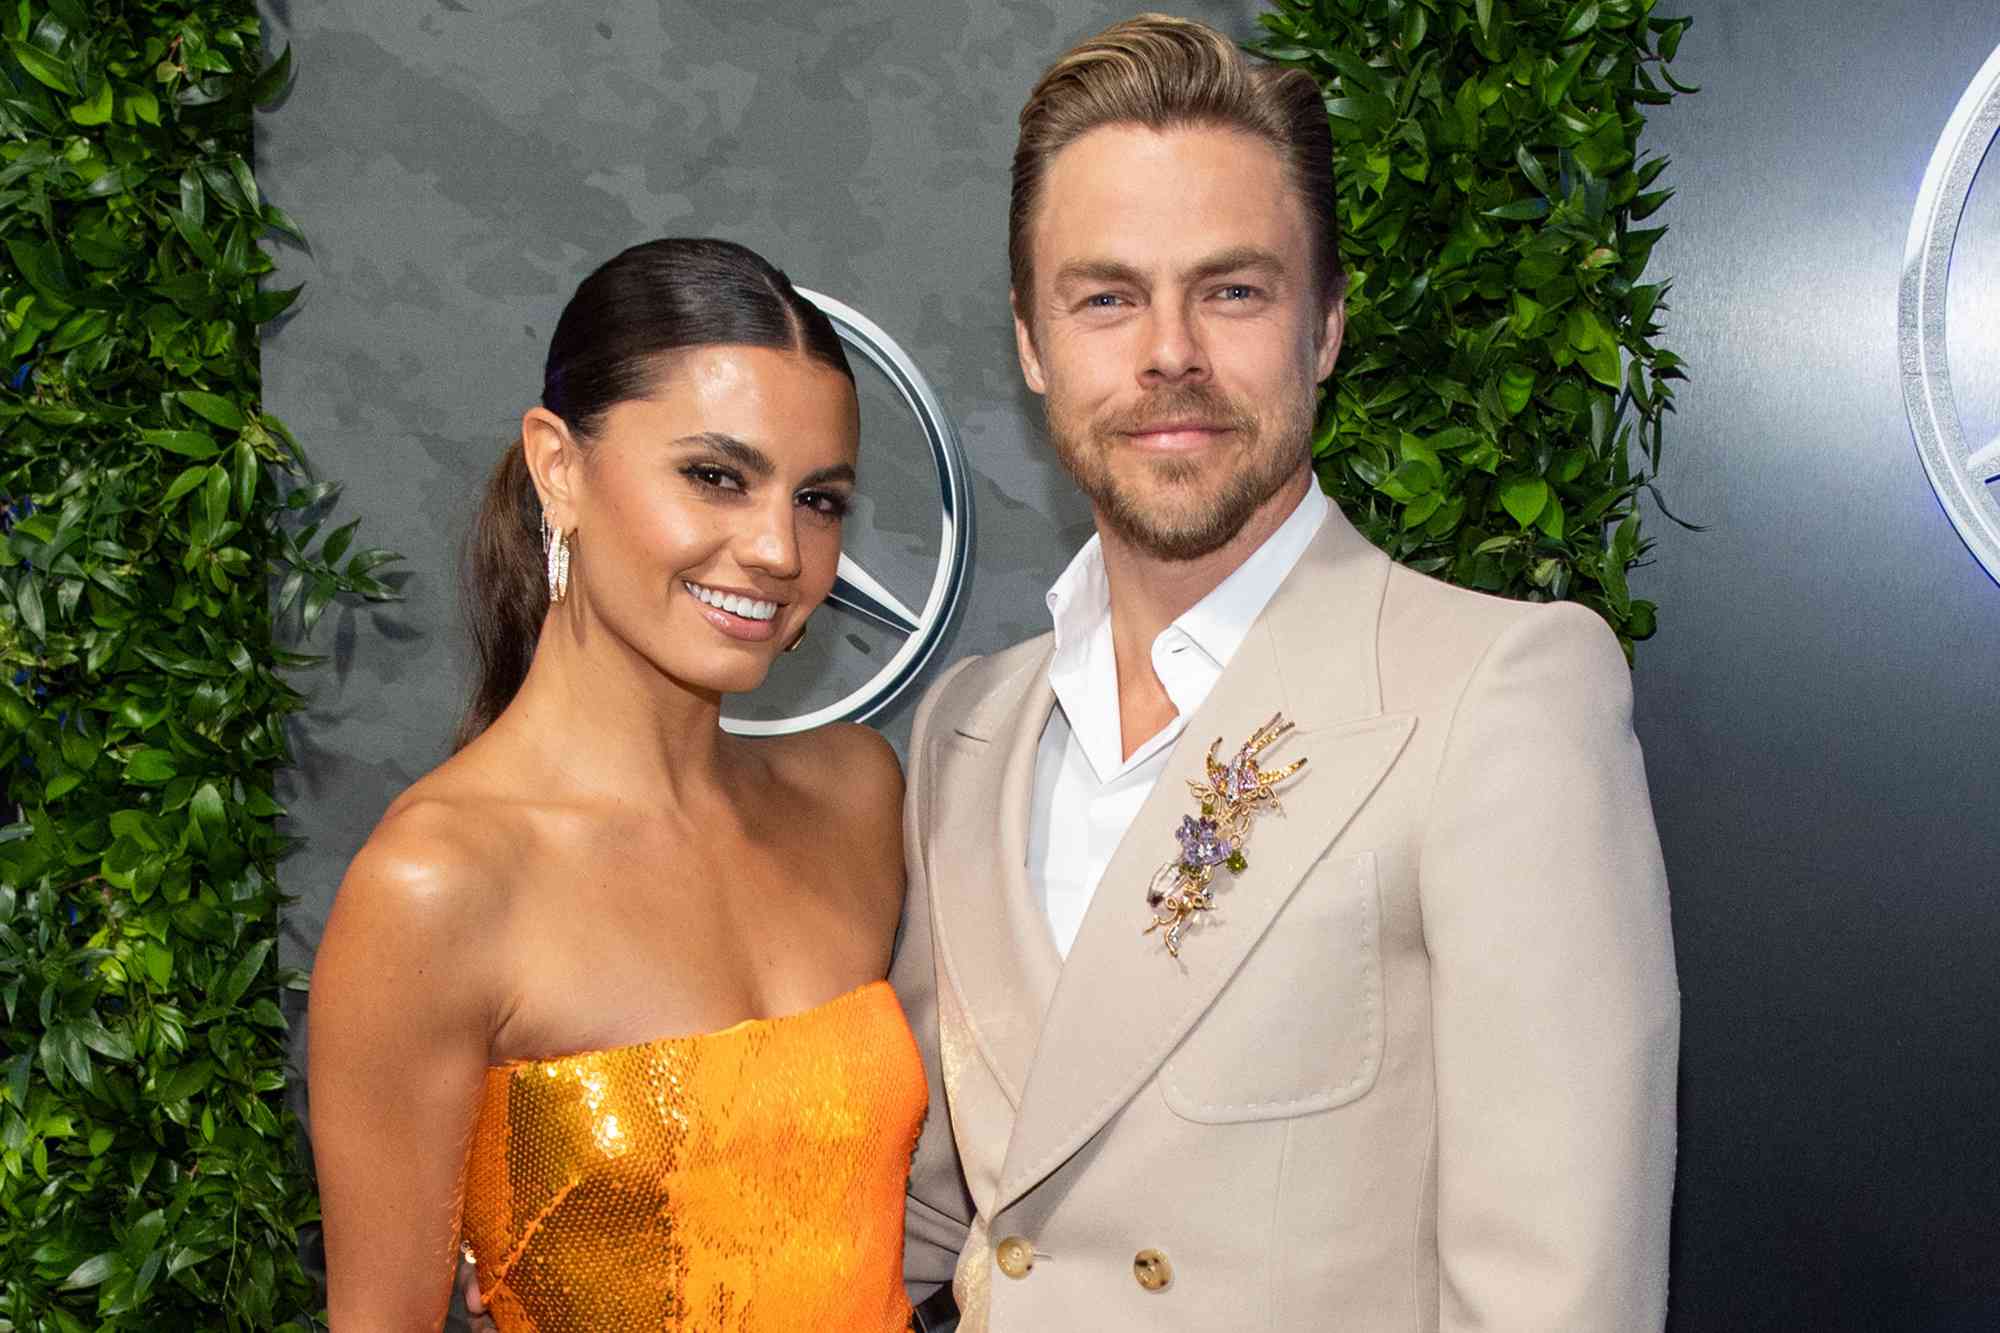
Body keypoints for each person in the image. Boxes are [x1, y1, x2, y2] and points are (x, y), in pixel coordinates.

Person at [893, 14, 1679, 1331]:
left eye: (1233, 289)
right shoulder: (967, 731)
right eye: (1106, 296)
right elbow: (930, 1219)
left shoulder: (1498, 694)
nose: (1169, 354)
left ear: (1324, 327)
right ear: (1031, 342)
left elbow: (1561, 1298)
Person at [308, 237, 923, 1331]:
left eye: (818, 500)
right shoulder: (438, 884)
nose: (778, 549)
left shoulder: (853, 796)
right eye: (715, 476)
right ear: (558, 468)